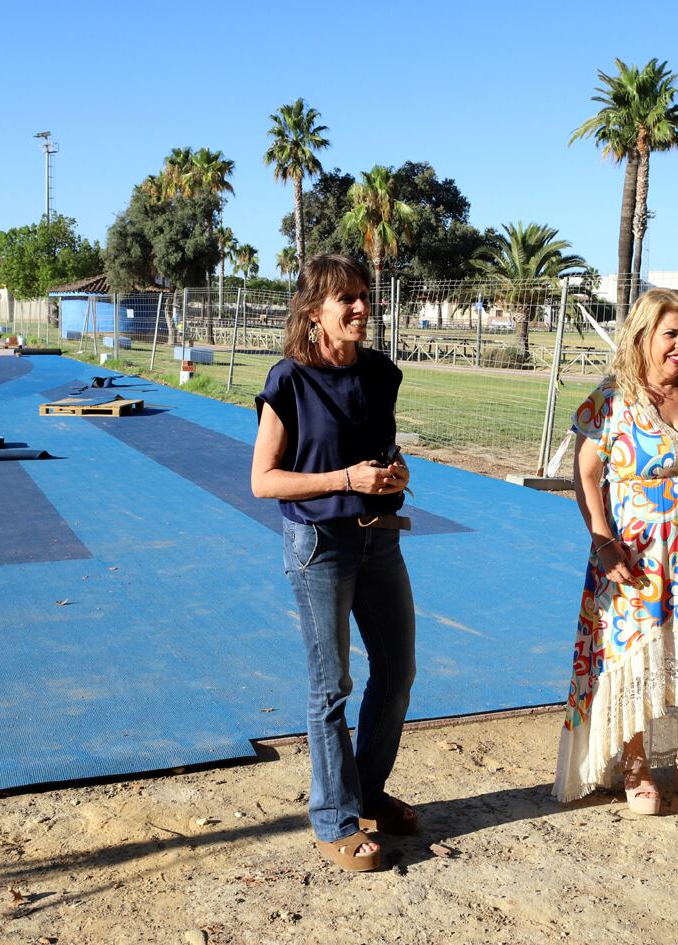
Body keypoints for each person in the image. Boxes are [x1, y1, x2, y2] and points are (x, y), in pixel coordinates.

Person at [250, 254, 418, 871]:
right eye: (345, 298)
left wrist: (395, 473)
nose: (360, 308)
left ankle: (367, 794)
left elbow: (380, 451)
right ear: (313, 309)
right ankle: (334, 819)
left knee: (397, 670)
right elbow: (263, 481)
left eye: (364, 296)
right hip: (319, 546)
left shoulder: (380, 372)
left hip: (381, 539)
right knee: (331, 688)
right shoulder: (289, 380)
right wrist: (345, 478)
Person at [554, 287, 678, 815]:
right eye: (671, 334)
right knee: (634, 655)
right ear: (643, 337)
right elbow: (586, 475)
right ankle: (634, 765)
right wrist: (603, 542)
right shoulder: (611, 399)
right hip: (633, 561)